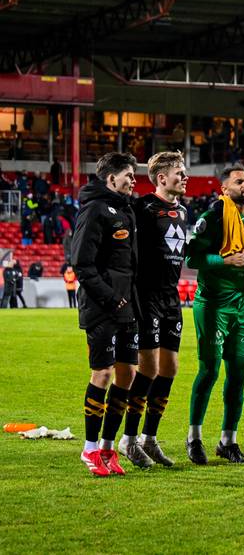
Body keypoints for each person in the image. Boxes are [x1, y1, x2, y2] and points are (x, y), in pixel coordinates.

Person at [185, 164, 244, 464]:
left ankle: (228, 440)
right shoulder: (213, 216)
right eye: (239, 182)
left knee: (239, 374)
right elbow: (192, 258)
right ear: (224, 189)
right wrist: (227, 260)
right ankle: (194, 437)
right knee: (209, 371)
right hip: (213, 304)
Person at [71, 152, 140, 476]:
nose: (134, 180)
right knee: (103, 373)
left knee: (127, 375)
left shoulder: (125, 210)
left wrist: (129, 301)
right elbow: (81, 264)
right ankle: (89, 448)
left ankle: (108, 447)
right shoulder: (95, 209)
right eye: (129, 175)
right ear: (111, 178)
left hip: (127, 306)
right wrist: (112, 299)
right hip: (102, 307)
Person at [121, 151, 190, 469]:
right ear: (162, 178)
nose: (185, 177)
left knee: (170, 368)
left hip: (171, 298)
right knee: (147, 368)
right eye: (179, 172)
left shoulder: (184, 211)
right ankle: (128, 439)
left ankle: (149, 437)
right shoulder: (142, 208)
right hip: (146, 296)